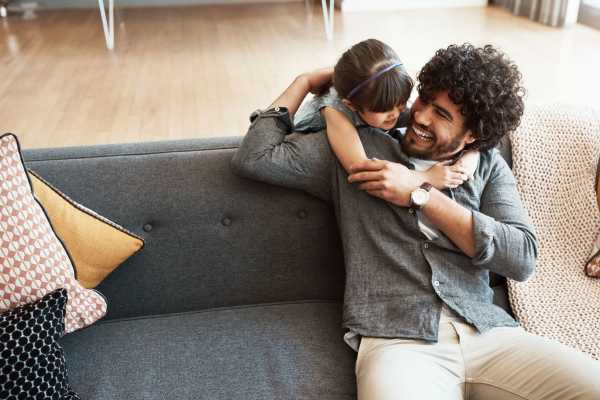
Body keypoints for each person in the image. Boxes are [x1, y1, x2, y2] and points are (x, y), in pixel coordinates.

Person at [231, 43, 600, 399]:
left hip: (490, 334)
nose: (420, 117)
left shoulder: (485, 165)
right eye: (424, 99)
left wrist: (420, 195)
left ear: (472, 135)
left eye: (442, 115)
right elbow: (255, 156)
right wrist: (305, 81)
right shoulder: (355, 151)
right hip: (398, 343)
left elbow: (521, 258)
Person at [295, 38, 478, 190]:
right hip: (301, 139)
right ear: (351, 105)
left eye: (400, 104)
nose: (395, 115)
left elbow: (470, 134)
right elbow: (358, 168)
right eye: (384, 110)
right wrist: (425, 177)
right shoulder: (336, 112)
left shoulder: (382, 99)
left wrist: (471, 155)